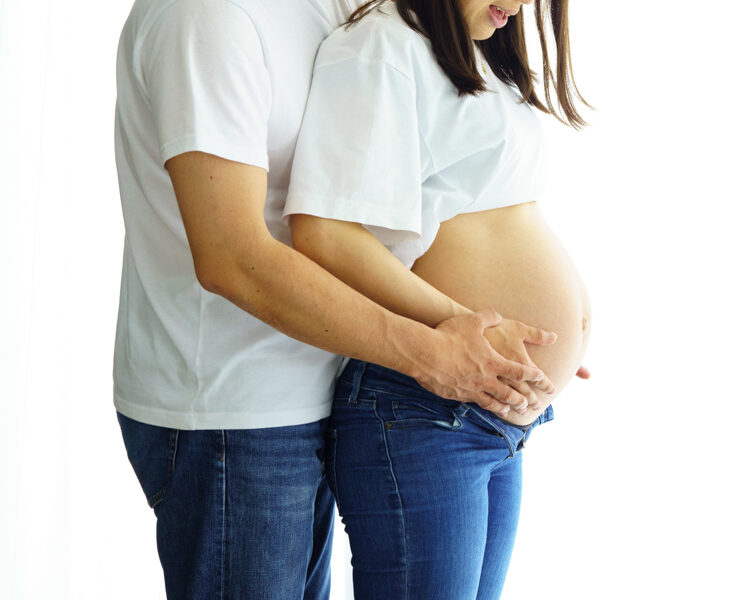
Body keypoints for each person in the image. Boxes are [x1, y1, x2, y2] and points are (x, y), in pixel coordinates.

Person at [111, 0, 577, 597]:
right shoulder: (208, 17)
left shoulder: (347, 11)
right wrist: (442, 344)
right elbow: (232, 258)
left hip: (328, 373)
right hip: (233, 406)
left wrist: (513, 327)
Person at [283, 0, 592, 597]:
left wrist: (569, 314)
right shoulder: (381, 48)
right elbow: (324, 233)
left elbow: (500, 211)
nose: (523, 5)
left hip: (495, 414)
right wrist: (467, 323)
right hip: (424, 408)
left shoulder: (482, 58)